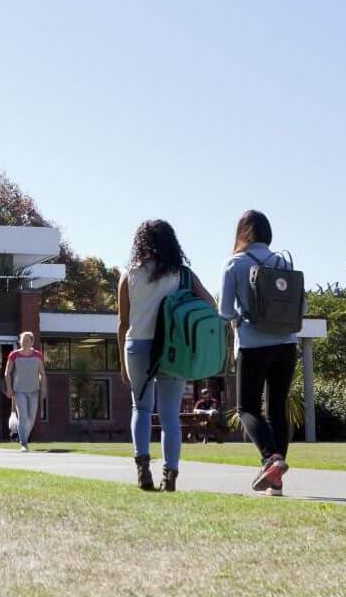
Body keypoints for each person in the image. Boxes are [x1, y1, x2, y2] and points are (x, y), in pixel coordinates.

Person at [117, 220, 215, 492]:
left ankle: (142, 469)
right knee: (171, 415)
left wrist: (120, 361)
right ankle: (170, 474)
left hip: (136, 346)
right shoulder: (182, 274)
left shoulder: (129, 275)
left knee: (141, 408)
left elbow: (123, 322)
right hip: (174, 348)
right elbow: (210, 305)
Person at [219, 210, 298, 495]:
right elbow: (299, 305)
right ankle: (276, 481)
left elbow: (225, 310)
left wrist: (237, 318)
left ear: (242, 232)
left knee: (247, 407)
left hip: (253, 345)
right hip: (287, 343)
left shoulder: (235, 263)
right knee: (277, 407)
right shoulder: (284, 261)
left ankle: (270, 459)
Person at [4, 331, 46, 452]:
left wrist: (44, 389)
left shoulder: (38, 355)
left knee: (31, 416)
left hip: (34, 390)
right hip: (19, 390)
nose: (25, 342)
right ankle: (24, 443)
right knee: (23, 416)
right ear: (20, 341)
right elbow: (7, 373)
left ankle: (22, 435)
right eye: (23, 340)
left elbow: (42, 373)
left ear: (32, 342)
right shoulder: (14, 355)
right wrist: (9, 388)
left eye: (27, 340)